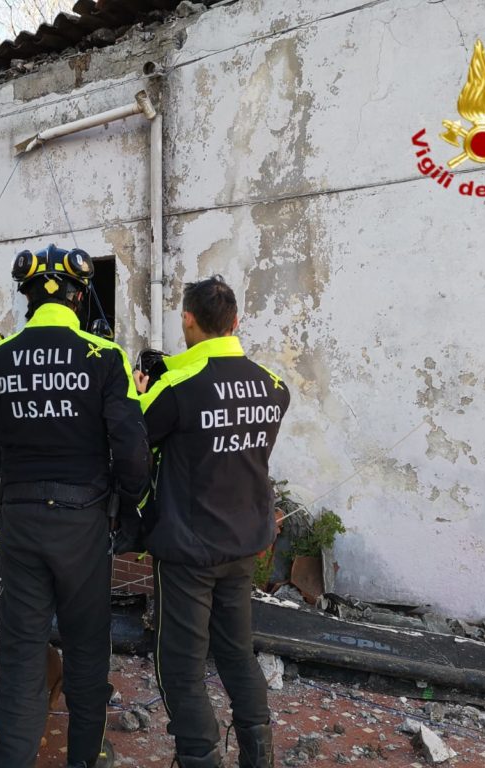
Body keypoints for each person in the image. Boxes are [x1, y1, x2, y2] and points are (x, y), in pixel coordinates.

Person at [0, 244, 150, 768]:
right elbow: (131, 449)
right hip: (85, 523)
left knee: (21, 653)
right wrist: (129, 506)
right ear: (79, 296)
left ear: (26, 298)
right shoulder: (105, 357)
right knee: (87, 648)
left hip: (20, 521)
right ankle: (85, 756)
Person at [133, 276, 290, 768]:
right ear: (236, 322)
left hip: (189, 547)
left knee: (180, 666)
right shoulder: (273, 387)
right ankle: (258, 758)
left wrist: (141, 391)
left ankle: (199, 757)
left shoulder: (178, 388)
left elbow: (136, 438)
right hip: (244, 544)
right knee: (237, 653)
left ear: (188, 320)